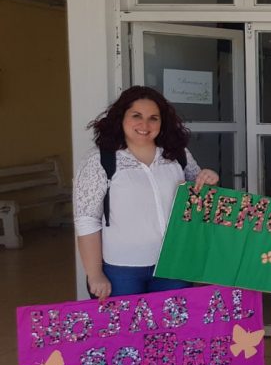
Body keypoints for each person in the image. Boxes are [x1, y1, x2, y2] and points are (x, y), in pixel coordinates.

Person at [73, 86, 219, 299]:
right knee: (126, 331)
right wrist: (94, 274)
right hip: (122, 269)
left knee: (174, 329)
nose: (145, 125)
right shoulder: (100, 160)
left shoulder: (176, 154)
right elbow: (87, 220)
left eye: (154, 118)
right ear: (120, 118)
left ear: (163, 122)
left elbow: (198, 196)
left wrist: (208, 179)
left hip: (174, 264)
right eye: (136, 116)